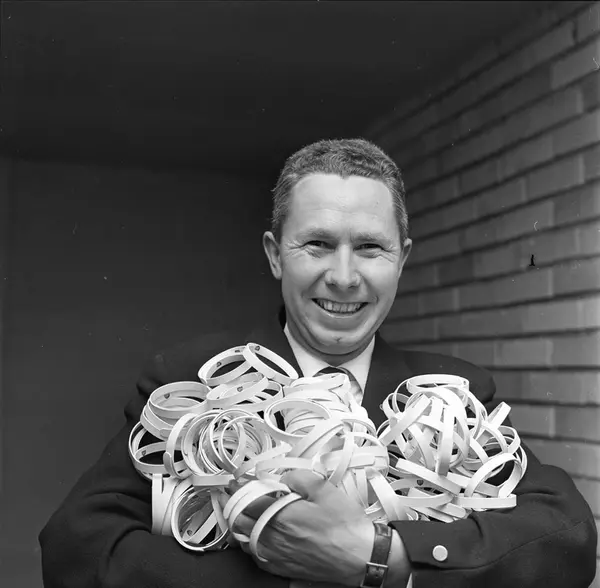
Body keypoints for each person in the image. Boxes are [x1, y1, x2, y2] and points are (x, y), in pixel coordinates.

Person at [39, 138, 597, 588]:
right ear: (274, 255)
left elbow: (567, 539)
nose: (344, 277)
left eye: (370, 248)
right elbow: (76, 546)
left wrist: (385, 558)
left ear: (401, 260)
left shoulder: (454, 392)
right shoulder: (189, 379)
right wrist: (295, 571)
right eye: (318, 245)